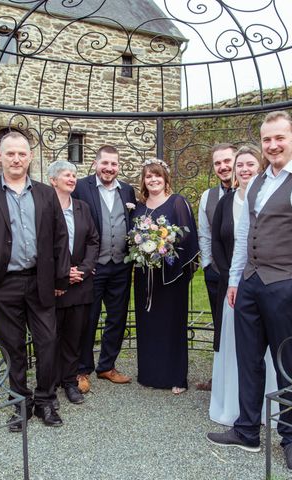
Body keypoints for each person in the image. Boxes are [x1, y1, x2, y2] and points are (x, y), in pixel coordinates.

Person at [206, 111, 292, 474]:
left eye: (279, 138)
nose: (272, 145)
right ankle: (247, 429)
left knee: (288, 363)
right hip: (249, 284)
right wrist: (234, 280)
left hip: (284, 287)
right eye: (266, 139)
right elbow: (245, 234)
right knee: (248, 359)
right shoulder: (258, 180)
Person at [0, 131, 71, 430]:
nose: (16, 158)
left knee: (48, 342)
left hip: (40, 282)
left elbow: (59, 238)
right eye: (10, 153)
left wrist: (60, 279)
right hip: (2, 285)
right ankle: (20, 404)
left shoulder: (45, 193)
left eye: (22, 153)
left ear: (30, 157)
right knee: (13, 347)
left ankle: (45, 401)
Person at [208, 144, 277, 426]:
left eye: (250, 164)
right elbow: (217, 242)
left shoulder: (268, 197)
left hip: (266, 282)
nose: (244, 169)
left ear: (259, 167)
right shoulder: (226, 202)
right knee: (236, 346)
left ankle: (267, 406)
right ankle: (234, 405)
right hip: (233, 285)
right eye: (240, 166)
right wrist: (230, 277)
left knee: (266, 347)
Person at [72, 145, 137, 393]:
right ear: (96, 163)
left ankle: (107, 366)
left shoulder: (127, 190)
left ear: (118, 166)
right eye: (105, 163)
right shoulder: (81, 187)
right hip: (93, 268)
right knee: (87, 319)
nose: (109, 168)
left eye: (114, 164)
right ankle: (82, 369)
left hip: (120, 266)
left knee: (117, 318)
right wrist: (83, 263)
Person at [131, 158, 199, 394]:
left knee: (171, 324)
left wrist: (165, 247)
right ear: (144, 180)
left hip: (171, 276)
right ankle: (150, 373)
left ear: (165, 178)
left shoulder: (177, 202)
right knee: (148, 323)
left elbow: (188, 238)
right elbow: (133, 237)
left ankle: (176, 377)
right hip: (144, 275)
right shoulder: (139, 206)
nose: (153, 180)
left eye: (157, 175)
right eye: (148, 176)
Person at [48, 161, 99, 406]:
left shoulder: (82, 208)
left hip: (81, 284)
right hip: (55, 285)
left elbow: (93, 241)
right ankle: (48, 384)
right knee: (51, 336)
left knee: (73, 336)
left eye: (74, 175)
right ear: (52, 180)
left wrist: (84, 269)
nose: (72, 178)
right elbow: (41, 245)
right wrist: (62, 273)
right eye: (66, 175)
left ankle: (69, 382)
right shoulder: (44, 208)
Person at [196, 143, 236, 391]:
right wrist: (208, 265)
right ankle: (220, 378)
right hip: (216, 274)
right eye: (217, 163)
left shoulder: (253, 191)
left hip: (246, 274)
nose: (223, 167)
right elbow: (204, 232)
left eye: (227, 161)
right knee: (220, 325)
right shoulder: (207, 196)